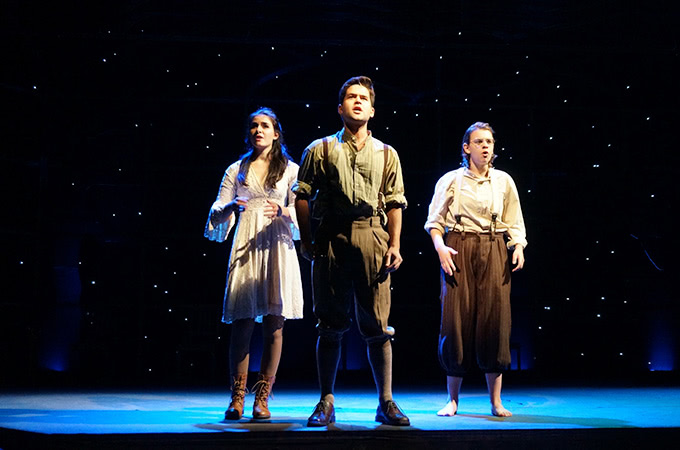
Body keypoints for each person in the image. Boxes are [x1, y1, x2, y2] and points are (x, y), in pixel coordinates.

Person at [293, 76, 410, 427]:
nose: (357, 102)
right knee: (330, 324)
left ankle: (386, 401)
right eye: (350, 97)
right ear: (340, 107)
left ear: (372, 110)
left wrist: (394, 244)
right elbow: (301, 195)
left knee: (378, 325)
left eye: (364, 98)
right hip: (332, 236)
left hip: (372, 234)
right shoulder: (320, 149)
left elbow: (394, 202)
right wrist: (307, 239)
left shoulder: (387, 153)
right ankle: (326, 400)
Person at [204, 107, 303, 420]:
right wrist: (231, 205)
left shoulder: (290, 170)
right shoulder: (238, 169)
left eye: (265, 126)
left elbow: (307, 212)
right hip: (247, 245)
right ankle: (237, 397)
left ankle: (263, 397)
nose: (258, 130)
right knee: (243, 323)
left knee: (275, 322)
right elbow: (216, 210)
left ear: (276, 133)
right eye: (253, 126)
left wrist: (285, 211)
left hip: (277, 245)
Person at [424, 122, 527, 417]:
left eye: (490, 142)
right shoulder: (451, 180)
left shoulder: (504, 181)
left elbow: (515, 219)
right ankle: (453, 399)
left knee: (496, 319)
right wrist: (441, 247)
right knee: (455, 320)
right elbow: (434, 221)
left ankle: (495, 401)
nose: (486, 146)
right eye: (479, 142)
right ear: (467, 147)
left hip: (494, 246)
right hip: (459, 245)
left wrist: (517, 245)